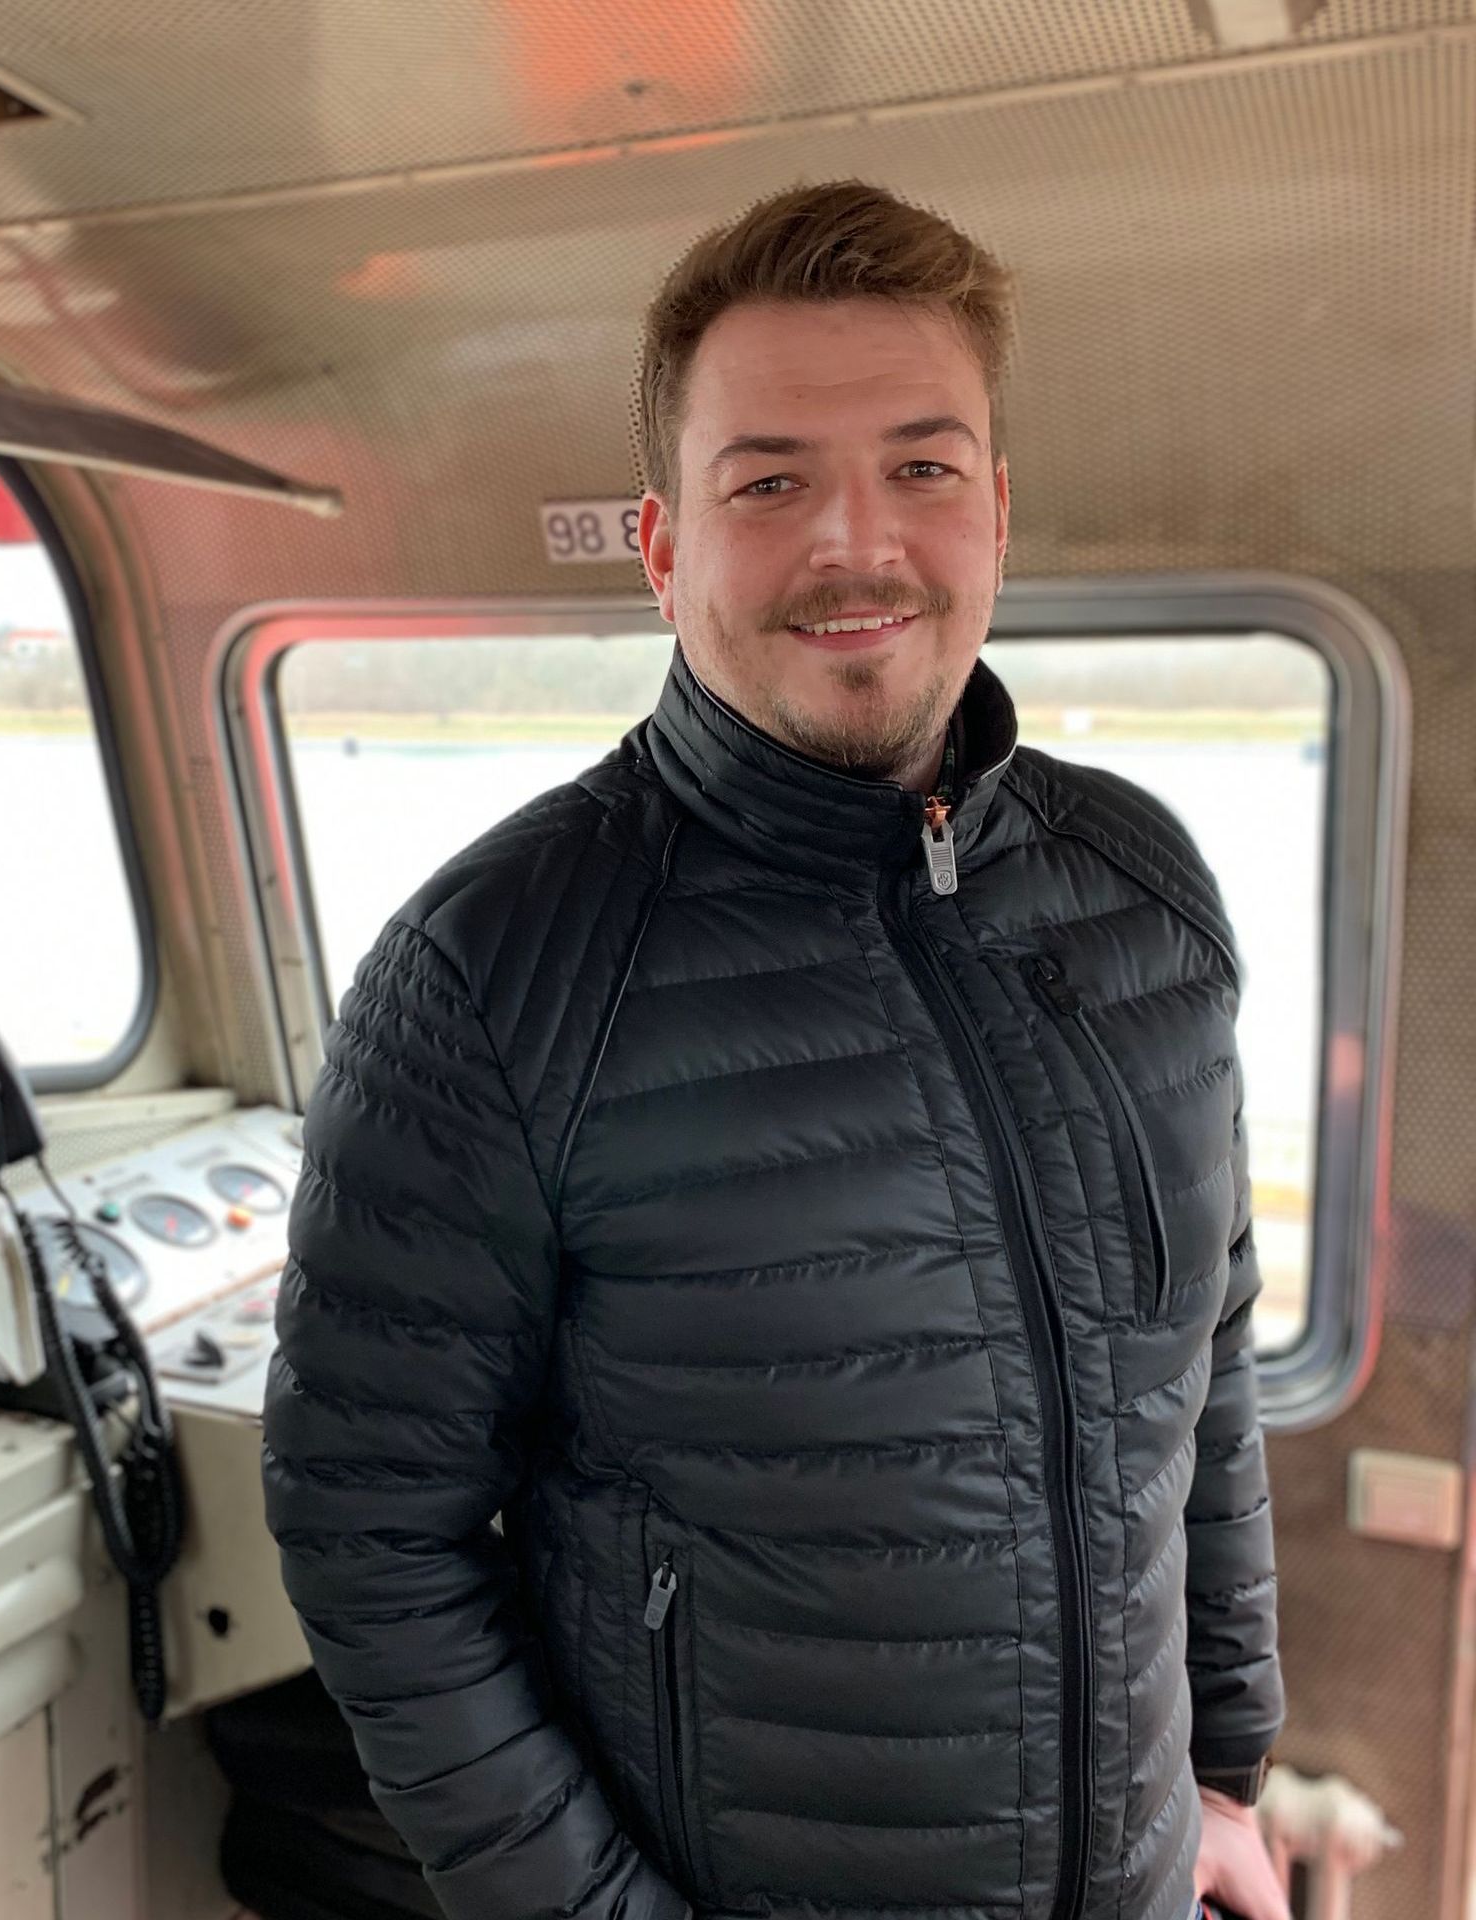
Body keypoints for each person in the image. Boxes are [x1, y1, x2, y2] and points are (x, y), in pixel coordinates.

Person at [262, 180, 1286, 1920]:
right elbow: (371, 1535)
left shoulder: (1145, 892)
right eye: (770, 483)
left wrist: (1225, 1775)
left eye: (922, 467)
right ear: (665, 549)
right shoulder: (493, 974)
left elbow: (1210, 1364)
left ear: (996, 509)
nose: (856, 545)